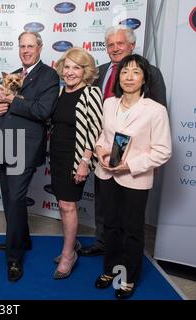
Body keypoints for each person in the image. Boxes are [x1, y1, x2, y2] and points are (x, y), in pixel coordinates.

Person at [80, 25, 167, 257]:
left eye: (120, 44)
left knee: (130, 217)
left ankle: (125, 257)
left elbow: (159, 114)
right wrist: (96, 149)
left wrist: (151, 163)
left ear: (132, 46)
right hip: (103, 150)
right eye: (110, 45)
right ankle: (103, 243)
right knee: (103, 202)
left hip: (135, 158)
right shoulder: (98, 72)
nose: (115, 48)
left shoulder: (151, 72)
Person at [93, 54, 171, 299]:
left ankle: (127, 276)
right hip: (106, 175)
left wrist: (130, 165)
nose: (129, 77)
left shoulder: (155, 110)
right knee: (111, 226)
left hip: (135, 179)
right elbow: (102, 139)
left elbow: (163, 151)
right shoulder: (109, 104)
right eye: (125, 71)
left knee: (132, 230)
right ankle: (110, 269)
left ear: (144, 78)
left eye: (136, 72)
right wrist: (101, 151)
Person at [0, 31, 59, 282]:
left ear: (40, 48)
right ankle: (22, 238)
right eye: (22, 46)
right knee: (9, 198)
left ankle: (14, 257)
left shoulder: (49, 75)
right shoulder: (15, 75)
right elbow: (4, 108)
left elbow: (43, 111)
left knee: (17, 199)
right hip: (5, 142)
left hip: (25, 146)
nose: (26, 50)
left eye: (30, 46)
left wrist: (11, 98)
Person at [50, 48, 103, 279]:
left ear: (85, 70)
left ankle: (68, 254)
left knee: (68, 205)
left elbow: (95, 129)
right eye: (67, 67)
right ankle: (71, 247)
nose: (70, 72)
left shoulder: (91, 93)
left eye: (76, 68)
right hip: (58, 156)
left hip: (76, 159)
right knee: (63, 205)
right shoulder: (61, 92)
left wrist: (84, 161)